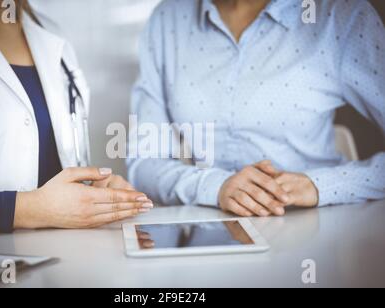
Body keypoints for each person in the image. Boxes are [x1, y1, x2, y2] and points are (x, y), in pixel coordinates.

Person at [127, 0, 385, 217]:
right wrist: (214, 186)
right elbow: (144, 163)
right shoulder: (167, 19)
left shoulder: (341, 17)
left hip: (314, 243)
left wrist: (319, 185)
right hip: (206, 247)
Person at [0, 0, 153, 235]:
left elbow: (54, 165)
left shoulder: (50, 33)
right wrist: (25, 209)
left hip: (60, 256)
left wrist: (96, 194)